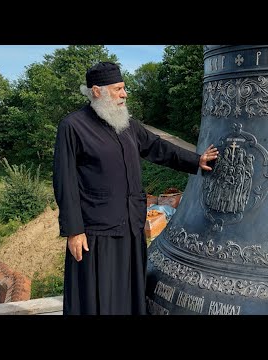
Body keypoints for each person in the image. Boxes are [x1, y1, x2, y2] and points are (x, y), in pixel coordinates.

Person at [52, 61, 218, 315]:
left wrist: (196, 160)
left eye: (124, 88)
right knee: (100, 297)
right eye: (118, 89)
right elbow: (65, 180)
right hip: (98, 231)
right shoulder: (73, 126)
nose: (124, 94)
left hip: (130, 225)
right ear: (97, 91)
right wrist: (74, 231)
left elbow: (158, 148)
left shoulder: (127, 124)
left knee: (128, 295)